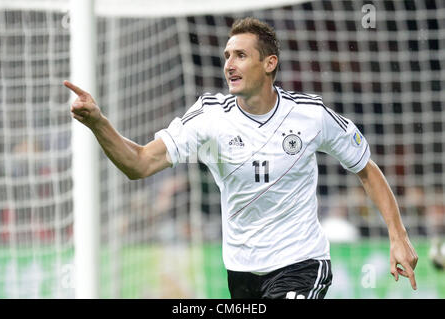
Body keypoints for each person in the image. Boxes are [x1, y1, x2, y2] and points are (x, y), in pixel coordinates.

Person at [64, 17, 418, 299]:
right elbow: (139, 163)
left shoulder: (311, 115)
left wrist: (398, 236)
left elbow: (365, 169)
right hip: (242, 272)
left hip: (302, 262)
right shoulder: (208, 118)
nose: (229, 65)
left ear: (269, 63)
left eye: (240, 56)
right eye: (226, 57)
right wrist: (98, 123)